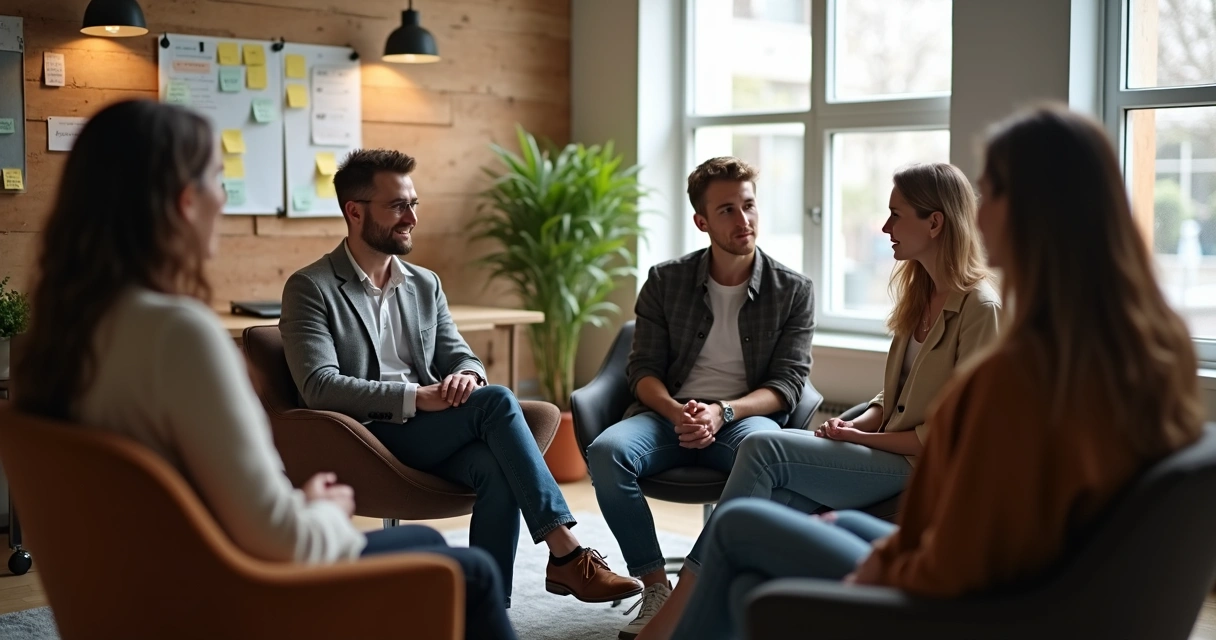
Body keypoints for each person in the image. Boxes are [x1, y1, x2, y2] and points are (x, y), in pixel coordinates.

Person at [642, 105, 1206, 640]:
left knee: (743, 529)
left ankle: (674, 624)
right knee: (780, 552)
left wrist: (879, 572)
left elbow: (964, 543)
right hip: (1015, 582)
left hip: (971, 603)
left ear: (1040, 209)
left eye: (993, 192)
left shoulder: (1021, 364)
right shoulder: (1147, 342)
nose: (979, 212)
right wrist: (862, 525)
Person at [11, 100, 518, 640]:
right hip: (230, 600)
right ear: (185, 202)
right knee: (471, 573)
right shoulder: (180, 335)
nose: (223, 199)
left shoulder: (56, 337)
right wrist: (323, 508)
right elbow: (281, 540)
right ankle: (558, 552)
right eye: (217, 180)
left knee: (428, 547)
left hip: (134, 600)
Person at [636, 162, 1001, 637]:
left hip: (922, 466)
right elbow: (895, 395)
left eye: (896, 215)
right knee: (770, 504)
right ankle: (715, 617)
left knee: (765, 448)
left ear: (935, 222)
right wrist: (866, 419)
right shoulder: (922, 292)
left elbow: (958, 435)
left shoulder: (980, 309)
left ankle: (677, 613)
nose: (886, 227)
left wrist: (864, 435)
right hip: (886, 447)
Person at [279, 148, 641, 606]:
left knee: (495, 464)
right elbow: (319, 386)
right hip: (365, 437)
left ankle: (485, 609)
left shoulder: (424, 283)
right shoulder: (311, 287)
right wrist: (417, 396)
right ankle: (567, 554)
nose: (411, 216)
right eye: (397, 205)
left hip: (432, 430)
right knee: (497, 402)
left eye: (413, 203)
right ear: (354, 211)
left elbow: (463, 357)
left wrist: (464, 378)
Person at [585, 156, 815, 639]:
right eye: (727, 210)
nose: (744, 220)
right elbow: (642, 370)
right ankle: (655, 588)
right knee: (607, 452)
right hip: (669, 412)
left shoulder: (792, 290)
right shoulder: (666, 280)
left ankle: (699, 583)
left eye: (749, 206)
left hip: (743, 417)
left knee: (763, 451)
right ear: (702, 221)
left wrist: (723, 411)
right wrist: (677, 411)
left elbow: (788, 385)